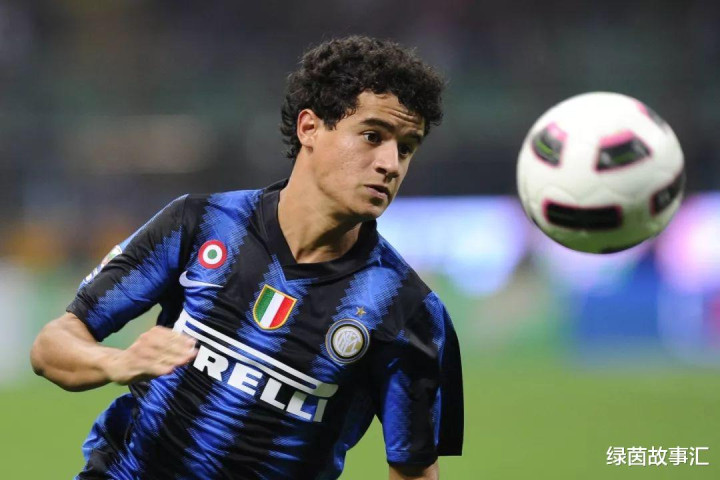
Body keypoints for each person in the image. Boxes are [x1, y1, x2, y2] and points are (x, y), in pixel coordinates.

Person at [30, 35, 463, 480]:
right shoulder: (200, 223)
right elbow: (51, 347)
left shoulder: (408, 309)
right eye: (372, 136)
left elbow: (414, 470)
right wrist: (116, 362)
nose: (391, 163)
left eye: (406, 148)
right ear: (309, 128)